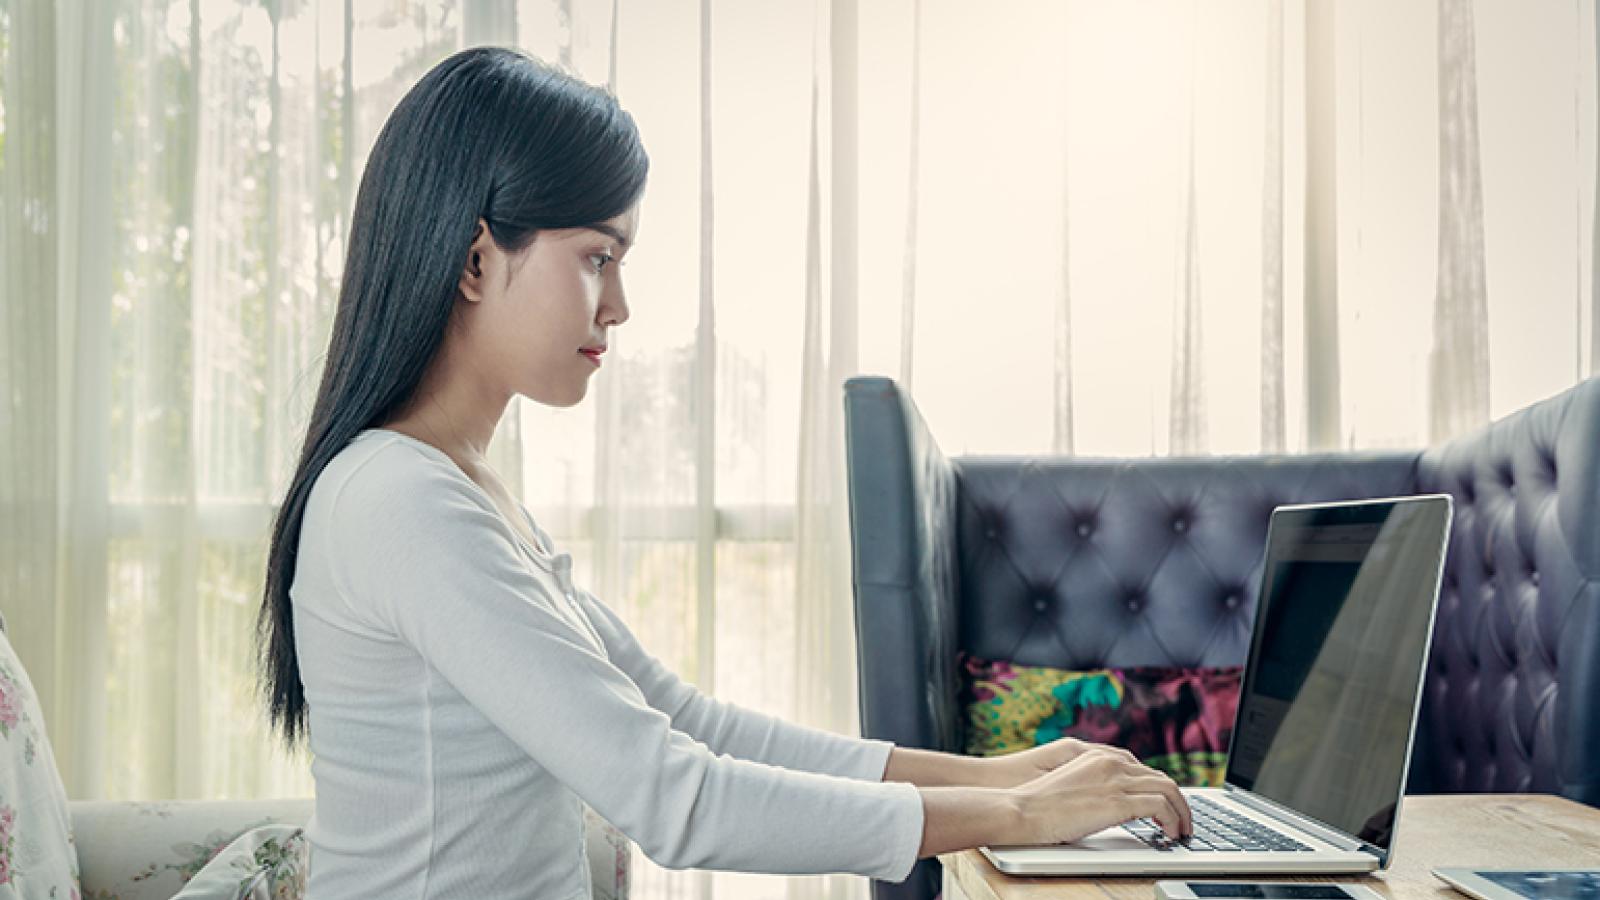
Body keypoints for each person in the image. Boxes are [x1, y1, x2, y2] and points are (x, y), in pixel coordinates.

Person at [258, 46, 1191, 900]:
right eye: (597, 257)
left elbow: (683, 722)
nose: (619, 305)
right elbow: (675, 797)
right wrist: (1019, 818)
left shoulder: (456, 491)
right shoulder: (399, 501)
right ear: (474, 259)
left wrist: (997, 774)